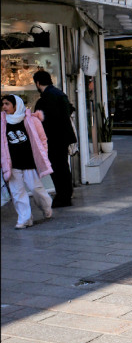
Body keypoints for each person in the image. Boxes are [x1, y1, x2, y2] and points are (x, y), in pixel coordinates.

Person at [1, 95, 53, 229]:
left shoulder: (31, 120)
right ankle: (24, 219)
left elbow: (42, 139)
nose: (4, 107)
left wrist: (42, 156)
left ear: (15, 105)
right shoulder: (2, 122)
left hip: (29, 162)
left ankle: (46, 207)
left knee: (36, 188)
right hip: (12, 164)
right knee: (17, 193)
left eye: (7, 104)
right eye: (3, 104)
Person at [33, 70, 76, 207]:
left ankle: (63, 196)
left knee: (57, 168)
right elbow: (70, 109)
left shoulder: (45, 98)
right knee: (63, 166)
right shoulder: (59, 93)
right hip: (63, 137)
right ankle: (66, 194)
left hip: (53, 138)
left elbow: (44, 121)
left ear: (38, 83)